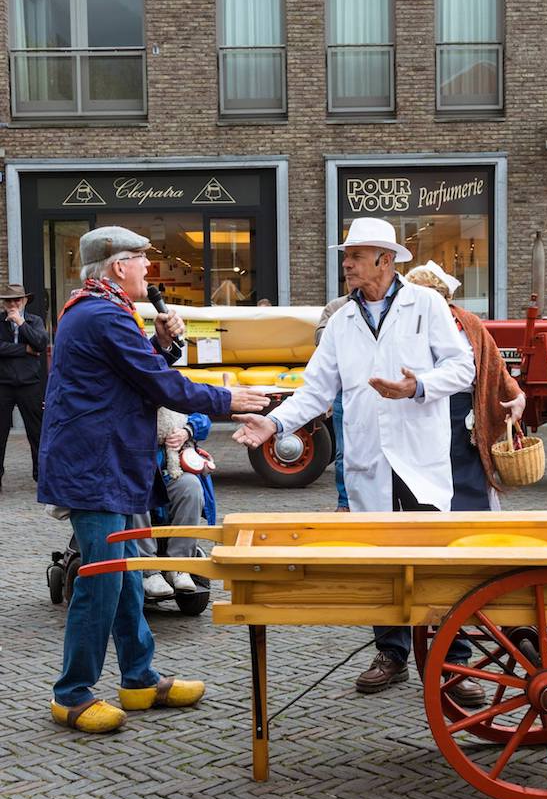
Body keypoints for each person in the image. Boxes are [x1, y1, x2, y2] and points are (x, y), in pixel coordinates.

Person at [231, 217, 477, 696]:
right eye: (346, 255)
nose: (346, 263)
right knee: (380, 560)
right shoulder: (342, 319)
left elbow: (463, 368)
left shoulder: (425, 304)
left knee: (436, 560)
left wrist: (418, 386)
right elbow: (315, 391)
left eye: (356, 256)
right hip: (368, 458)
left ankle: (453, 660)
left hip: (419, 456)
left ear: (385, 260)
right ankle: (391, 653)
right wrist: (275, 423)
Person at [38, 226, 268, 734]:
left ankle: (139, 678)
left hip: (105, 463)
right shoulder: (102, 315)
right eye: (142, 259)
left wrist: (161, 344)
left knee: (122, 576)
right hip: (95, 468)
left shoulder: (100, 310)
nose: (149, 267)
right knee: (100, 581)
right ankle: (72, 695)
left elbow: (135, 376)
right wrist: (227, 400)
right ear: (118, 267)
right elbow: (158, 385)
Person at [405, 261, 526, 511]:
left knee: (463, 473)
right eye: (416, 291)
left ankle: (470, 528)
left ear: (444, 295)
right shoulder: (405, 324)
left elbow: (494, 365)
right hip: (418, 410)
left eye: (431, 292)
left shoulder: (467, 323)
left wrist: (516, 395)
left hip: (460, 414)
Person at [134, 410, 216, 597]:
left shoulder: (172, 387)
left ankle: (179, 566)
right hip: (135, 472)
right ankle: (148, 570)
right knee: (134, 494)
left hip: (168, 472)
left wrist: (187, 431)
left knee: (191, 486)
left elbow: (201, 413)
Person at [314, 276, 360, 512]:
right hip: (344, 388)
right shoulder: (336, 308)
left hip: (379, 390)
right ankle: (345, 502)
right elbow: (321, 340)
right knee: (345, 450)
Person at [0, 284, 49, 491]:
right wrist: (24, 349)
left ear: (25, 301)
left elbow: (40, 343)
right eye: (9, 301)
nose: (13, 304)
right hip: (3, 385)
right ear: (3, 303)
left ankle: (42, 478)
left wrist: (21, 323)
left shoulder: (33, 321)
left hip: (31, 385)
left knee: (37, 433)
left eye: (17, 300)